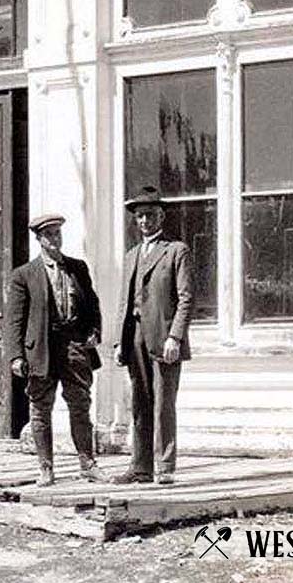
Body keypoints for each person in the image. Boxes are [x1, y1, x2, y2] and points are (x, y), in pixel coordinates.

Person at [7, 214, 105, 487]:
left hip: (74, 345)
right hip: (41, 350)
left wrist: (95, 332)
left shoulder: (77, 268)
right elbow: (14, 319)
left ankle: (88, 464)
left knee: (80, 406)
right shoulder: (23, 275)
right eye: (48, 234)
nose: (54, 239)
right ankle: (46, 468)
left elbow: (92, 306)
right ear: (38, 239)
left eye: (57, 233)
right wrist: (16, 355)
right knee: (40, 409)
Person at [114, 184, 194, 486]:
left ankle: (164, 467)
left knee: (163, 403)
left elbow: (186, 298)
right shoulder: (132, 255)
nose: (144, 221)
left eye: (149, 215)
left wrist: (175, 337)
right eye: (139, 216)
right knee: (139, 401)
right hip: (134, 336)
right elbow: (125, 301)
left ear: (161, 217)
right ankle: (140, 467)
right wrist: (120, 342)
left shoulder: (176, 250)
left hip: (163, 337)